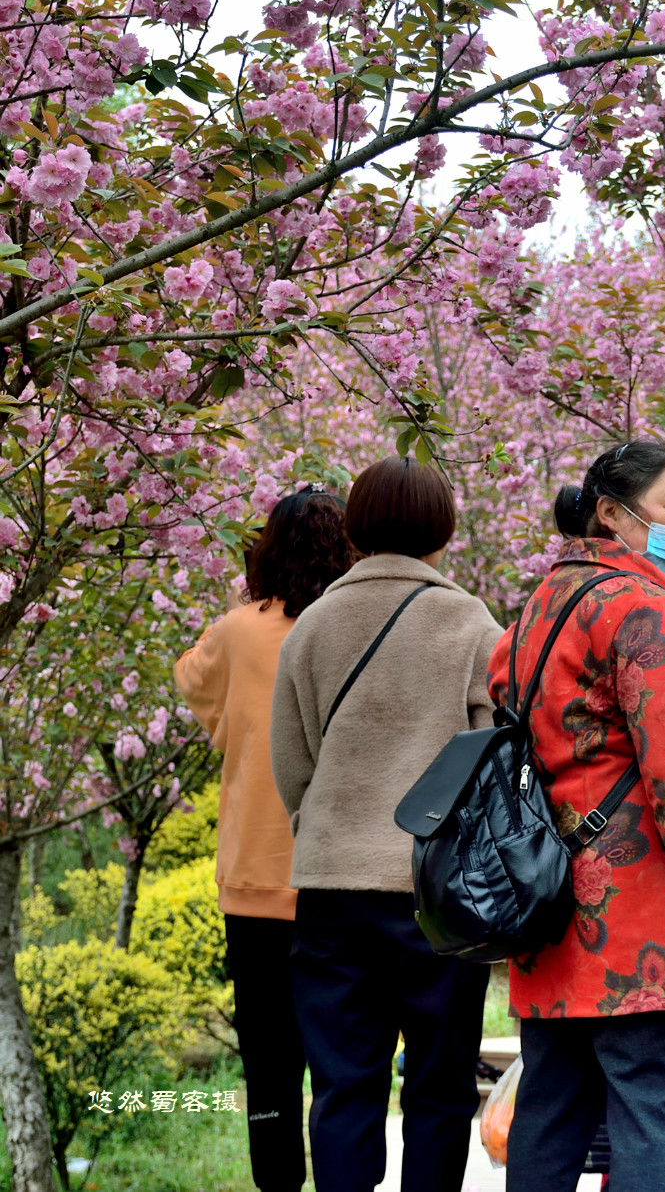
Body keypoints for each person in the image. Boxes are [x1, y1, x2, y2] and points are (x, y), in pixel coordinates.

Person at [489, 440, 665, 1192]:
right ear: (612, 512)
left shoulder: (539, 610)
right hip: (645, 922)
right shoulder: (648, 615)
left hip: (550, 906)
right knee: (654, 1116)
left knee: (549, 1114)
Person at [270, 455, 504, 1192]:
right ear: (443, 527)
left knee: (344, 1084)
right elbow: (493, 757)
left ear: (358, 525)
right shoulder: (470, 623)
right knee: (438, 1087)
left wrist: (328, 827)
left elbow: (292, 762)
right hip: (434, 895)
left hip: (332, 890)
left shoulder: (313, 625)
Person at [175, 487, 356, 1192]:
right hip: (342, 879)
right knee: (344, 1061)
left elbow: (195, 686)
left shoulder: (235, 631)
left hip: (255, 880)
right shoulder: (358, 627)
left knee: (269, 1067)